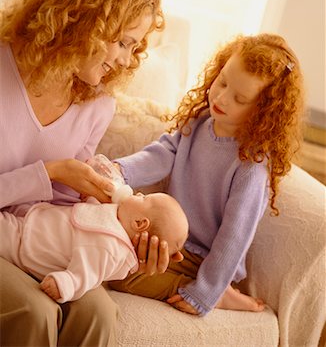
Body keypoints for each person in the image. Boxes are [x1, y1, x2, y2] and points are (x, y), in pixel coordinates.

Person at [0, 0, 172, 347]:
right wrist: (51, 172)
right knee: (34, 310)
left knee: (97, 312)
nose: (129, 61)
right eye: (125, 43)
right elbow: (54, 181)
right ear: (86, 20)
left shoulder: (97, 103)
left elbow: (71, 210)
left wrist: (127, 234)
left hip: (44, 239)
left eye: (136, 48)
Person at [108, 33, 305, 316]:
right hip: (170, 236)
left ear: (263, 113)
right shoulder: (200, 123)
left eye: (239, 98)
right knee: (106, 245)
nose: (222, 98)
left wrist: (204, 292)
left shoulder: (251, 165)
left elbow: (234, 235)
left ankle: (219, 294)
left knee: (121, 273)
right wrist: (120, 170)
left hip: (201, 258)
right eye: (222, 82)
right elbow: (164, 154)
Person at [0, 192, 188, 303]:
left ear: (139, 223)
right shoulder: (115, 218)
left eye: (144, 198)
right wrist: (90, 196)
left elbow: (87, 274)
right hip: (32, 220)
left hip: (24, 244)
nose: (138, 193)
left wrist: (66, 284)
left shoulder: (109, 247)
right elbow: (93, 214)